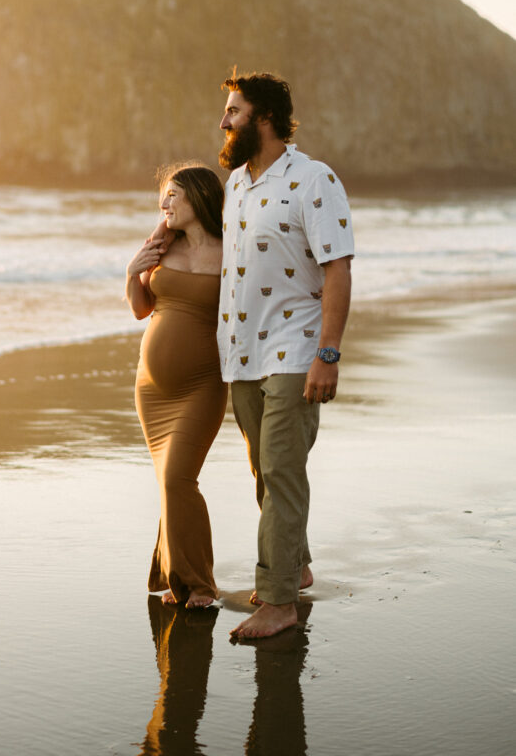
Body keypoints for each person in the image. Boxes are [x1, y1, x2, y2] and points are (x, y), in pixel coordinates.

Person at [217, 71, 354, 639]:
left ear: (265, 118)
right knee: (264, 469)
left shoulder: (314, 179)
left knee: (280, 468)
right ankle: (293, 566)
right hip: (241, 352)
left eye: (234, 111)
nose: (223, 121)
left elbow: (337, 268)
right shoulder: (236, 186)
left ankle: (277, 601)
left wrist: (328, 353)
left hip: (296, 348)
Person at [126, 164, 228, 609]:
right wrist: (133, 272)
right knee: (170, 483)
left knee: (176, 479)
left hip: (202, 383)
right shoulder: (163, 246)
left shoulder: (233, 252)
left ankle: (200, 585)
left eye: (173, 196)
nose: (164, 204)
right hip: (151, 388)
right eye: (162, 197)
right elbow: (141, 309)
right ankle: (175, 578)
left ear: (198, 200)